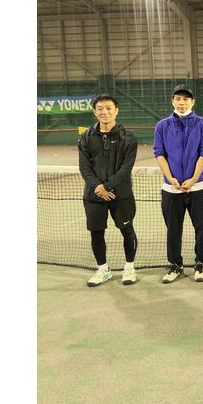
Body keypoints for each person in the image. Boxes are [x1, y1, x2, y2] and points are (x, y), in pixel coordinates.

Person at [154, 84, 203, 283]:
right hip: (171, 189)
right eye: (178, 99)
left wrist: (194, 179)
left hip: (198, 188)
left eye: (186, 99)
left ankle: (200, 264)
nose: (182, 102)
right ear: (173, 101)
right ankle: (175, 265)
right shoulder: (162, 126)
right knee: (173, 230)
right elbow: (159, 153)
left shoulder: (202, 124)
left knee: (201, 228)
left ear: (192, 102)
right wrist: (170, 178)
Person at [78, 94, 139, 286]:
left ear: (116, 111)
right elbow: (84, 167)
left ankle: (129, 268)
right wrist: (98, 187)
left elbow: (126, 168)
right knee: (96, 233)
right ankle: (103, 269)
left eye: (108, 108)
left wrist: (107, 186)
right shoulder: (86, 137)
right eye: (100, 108)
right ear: (95, 112)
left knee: (127, 230)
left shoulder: (128, 138)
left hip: (121, 194)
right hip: (94, 195)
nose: (104, 112)